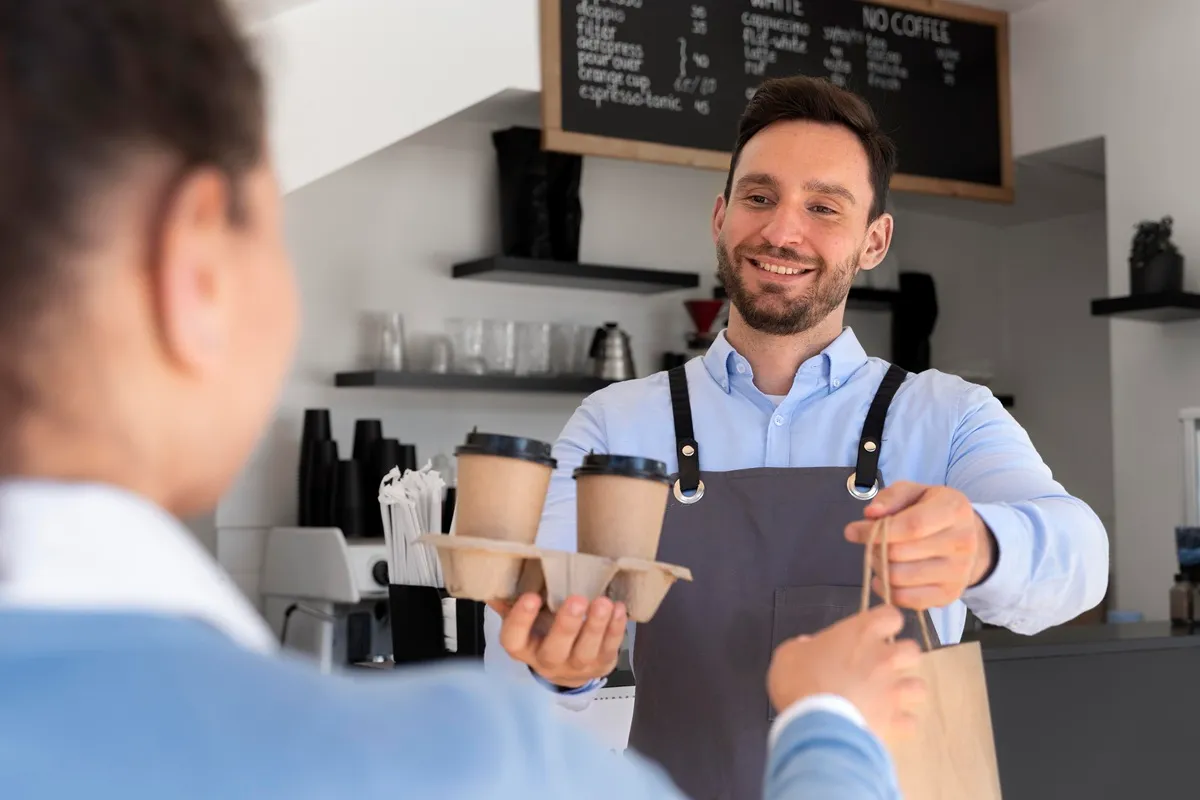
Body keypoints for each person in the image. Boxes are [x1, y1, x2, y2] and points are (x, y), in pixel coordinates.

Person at [0, 2, 926, 798]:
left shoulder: (937, 411)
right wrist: (828, 722)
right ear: (194, 266)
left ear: (872, 239)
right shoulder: (451, 764)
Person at [487, 74, 1111, 799]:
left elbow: (1082, 558)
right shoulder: (616, 423)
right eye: (759, 197)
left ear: (874, 239)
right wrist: (554, 668)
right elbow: (520, 651)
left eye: (823, 207)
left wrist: (983, 546)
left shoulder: (947, 415)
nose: (783, 231)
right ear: (721, 215)